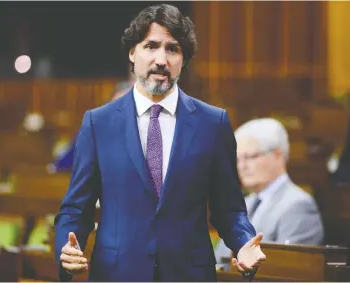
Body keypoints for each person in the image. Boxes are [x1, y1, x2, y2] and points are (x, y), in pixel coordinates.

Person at [54, 4, 266, 282]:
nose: (161, 59)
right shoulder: (98, 124)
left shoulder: (213, 124)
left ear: (183, 59)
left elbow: (229, 208)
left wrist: (243, 243)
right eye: (151, 46)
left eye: (172, 49)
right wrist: (67, 249)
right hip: (116, 274)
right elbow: (75, 209)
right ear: (132, 52)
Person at [214, 118, 324, 270]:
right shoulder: (243, 203)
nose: (242, 166)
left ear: (278, 155)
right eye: (237, 159)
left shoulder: (298, 205)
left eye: (250, 157)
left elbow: (287, 272)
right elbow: (219, 262)